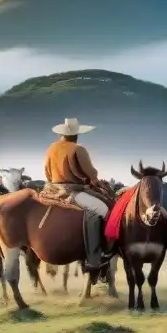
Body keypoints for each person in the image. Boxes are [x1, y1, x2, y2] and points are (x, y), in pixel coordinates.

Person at [43, 117, 112, 275]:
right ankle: (94, 258)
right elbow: (92, 173)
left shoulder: (51, 148)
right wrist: (94, 181)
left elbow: (47, 173)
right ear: (76, 134)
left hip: (52, 190)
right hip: (73, 192)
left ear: (62, 133)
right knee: (102, 210)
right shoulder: (78, 149)